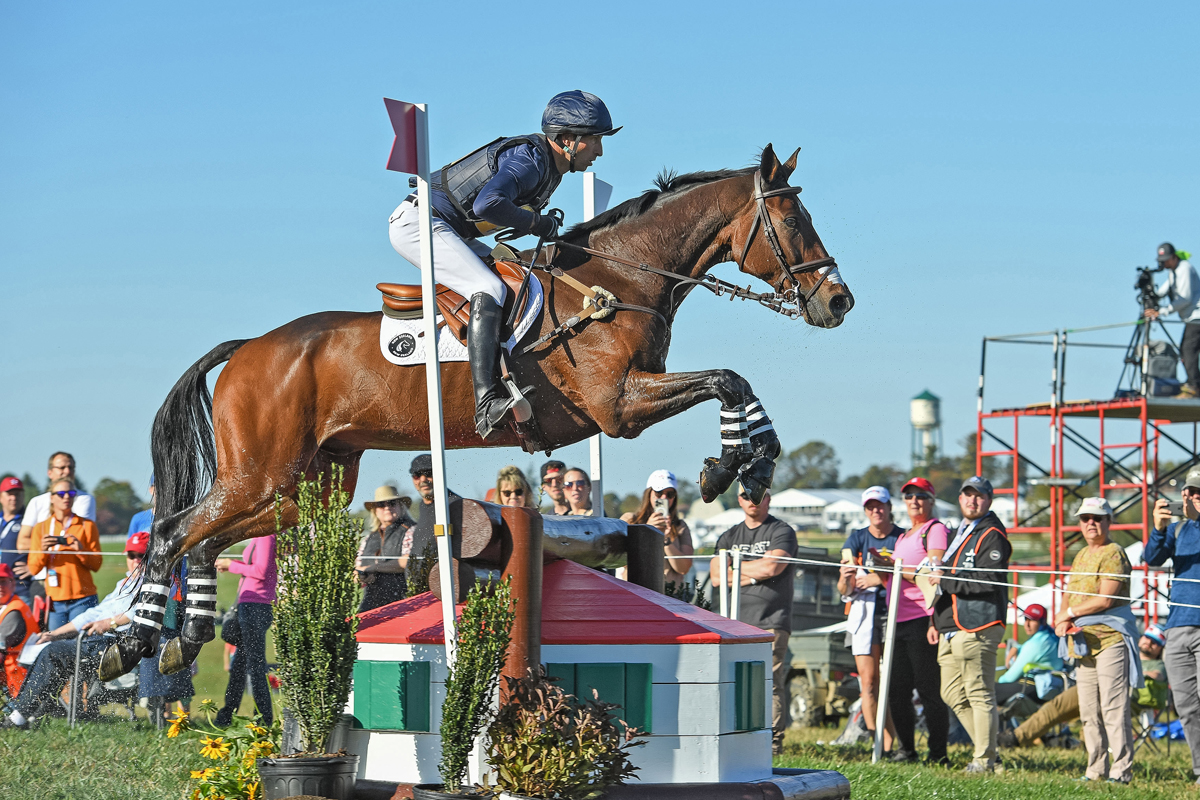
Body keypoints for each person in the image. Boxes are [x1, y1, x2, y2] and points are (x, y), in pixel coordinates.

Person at [388, 91, 620, 441]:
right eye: (595, 140)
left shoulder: (550, 169)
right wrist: (537, 224)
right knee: (490, 288)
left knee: (515, 279)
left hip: (450, 228)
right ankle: (487, 399)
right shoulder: (530, 160)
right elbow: (487, 204)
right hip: (419, 223)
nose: (599, 151)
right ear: (568, 140)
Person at [2, 532, 144, 728]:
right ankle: (27, 712)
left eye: (141, 555)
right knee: (45, 646)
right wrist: (53, 634)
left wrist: (110, 623)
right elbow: (92, 614)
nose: (136, 560)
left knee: (52, 653)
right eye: (131, 555)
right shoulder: (123, 584)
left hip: (118, 642)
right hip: (98, 639)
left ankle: (19, 716)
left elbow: (141, 613)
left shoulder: (149, 585)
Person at [929, 476, 1011, 773]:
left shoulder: (992, 533)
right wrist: (934, 619)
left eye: (979, 496)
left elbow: (990, 580)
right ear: (960, 498)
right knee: (951, 693)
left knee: (979, 692)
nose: (972, 500)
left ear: (989, 500)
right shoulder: (961, 531)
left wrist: (946, 581)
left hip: (979, 622)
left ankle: (984, 760)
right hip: (951, 624)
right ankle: (988, 752)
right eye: (967, 495)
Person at [1054, 496, 1138, 784]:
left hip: (1110, 639)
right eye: (1085, 518)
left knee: (1114, 709)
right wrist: (1062, 619)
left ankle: (1121, 771)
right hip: (1082, 641)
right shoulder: (1080, 556)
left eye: (1097, 518)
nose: (1091, 523)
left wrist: (1071, 612)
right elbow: (1068, 594)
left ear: (1108, 522)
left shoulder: (1114, 553)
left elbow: (1106, 599)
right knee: (1089, 711)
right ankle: (1095, 770)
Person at [709, 487, 798, 755]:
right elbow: (715, 576)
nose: (752, 500)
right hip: (732, 623)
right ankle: (740, 740)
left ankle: (772, 745)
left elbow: (773, 567)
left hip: (771, 619)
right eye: (746, 495)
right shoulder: (729, 535)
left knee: (770, 682)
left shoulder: (782, 531)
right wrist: (755, 571)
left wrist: (734, 570)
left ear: (769, 498)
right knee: (733, 681)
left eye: (758, 495)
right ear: (738, 499)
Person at [875, 477, 949, 764]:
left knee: (928, 689)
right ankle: (907, 750)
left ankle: (938, 753)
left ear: (931, 501)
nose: (914, 501)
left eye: (920, 496)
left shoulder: (935, 530)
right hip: (896, 620)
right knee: (896, 690)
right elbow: (897, 578)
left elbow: (933, 569)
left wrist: (934, 622)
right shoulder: (905, 536)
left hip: (922, 618)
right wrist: (880, 568)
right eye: (909, 497)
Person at [836, 486, 901, 752]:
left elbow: (908, 573)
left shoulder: (901, 537)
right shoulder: (856, 538)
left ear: (889, 508)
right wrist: (845, 578)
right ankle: (878, 743)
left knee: (894, 682)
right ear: (865, 510)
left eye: (881, 505)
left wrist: (880, 577)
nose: (876, 510)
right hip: (863, 615)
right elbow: (844, 587)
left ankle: (895, 741)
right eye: (871, 506)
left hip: (894, 613)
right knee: (869, 682)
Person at [1147, 472, 1200, 784]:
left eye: (1199, 492)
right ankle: (1199, 770)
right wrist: (1158, 528)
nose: (1193, 497)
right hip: (1177, 626)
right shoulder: (1178, 528)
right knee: (1186, 705)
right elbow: (1152, 559)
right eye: (1189, 491)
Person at [214, 532, 277, 726]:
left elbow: (261, 571)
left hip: (256, 605)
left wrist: (230, 565)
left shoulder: (268, 535)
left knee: (254, 666)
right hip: (250, 605)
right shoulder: (262, 535)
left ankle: (264, 720)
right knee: (240, 665)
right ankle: (226, 715)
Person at [15, 452, 95, 600]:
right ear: (50, 472)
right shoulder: (36, 502)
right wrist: (39, 554)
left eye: (71, 467)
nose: (67, 471)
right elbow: (21, 543)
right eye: (62, 467)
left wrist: (40, 545)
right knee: (41, 623)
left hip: (73, 579)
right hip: (40, 577)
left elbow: (76, 538)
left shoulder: (83, 498)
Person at [26, 479, 102, 630]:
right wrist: (43, 552)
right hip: (55, 601)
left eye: (71, 493)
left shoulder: (87, 525)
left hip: (83, 598)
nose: (66, 497)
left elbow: (96, 565)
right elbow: (33, 569)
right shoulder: (40, 529)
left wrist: (80, 550)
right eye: (61, 494)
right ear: (51, 498)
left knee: (81, 646)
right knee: (57, 648)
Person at [621, 470, 695, 586]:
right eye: (659, 493)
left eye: (670, 494)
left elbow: (683, 569)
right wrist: (647, 530)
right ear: (648, 493)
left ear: (674, 498)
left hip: (670, 594)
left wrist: (666, 540)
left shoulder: (680, 526)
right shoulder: (630, 520)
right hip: (637, 591)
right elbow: (622, 561)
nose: (664, 498)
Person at [1147, 242, 1200, 397]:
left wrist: (1162, 311)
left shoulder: (1184, 268)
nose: (1164, 264)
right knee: (1187, 350)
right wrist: (1152, 294)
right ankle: (1194, 384)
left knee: (1188, 350)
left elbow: (1185, 299)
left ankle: (1194, 387)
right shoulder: (1174, 271)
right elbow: (1164, 290)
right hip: (1192, 318)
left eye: (1166, 260)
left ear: (1174, 257)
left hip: (1197, 318)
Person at [357, 485, 415, 612]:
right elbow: (357, 568)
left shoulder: (411, 530)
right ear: (375, 511)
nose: (387, 507)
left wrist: (374, 568)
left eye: (392, 503)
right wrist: (362, 576)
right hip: (370, 603)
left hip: (403, 602)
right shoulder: (369, 538)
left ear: (401, 506)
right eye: (381, 504)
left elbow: (408, 561)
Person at [998, 604, 1063, 683]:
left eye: (1032, 620)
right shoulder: (1048, 637)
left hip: (1036, 686)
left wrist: (999, 682)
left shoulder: (1036, 643)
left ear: (1043, 622)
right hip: (1049, 684)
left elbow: (1009, 678)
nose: (1027, 624)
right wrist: (1017, 648)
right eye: (1026, 619)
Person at [0, 564, 36, 700]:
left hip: (18, 669)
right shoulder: (7, 605)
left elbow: (1, 645)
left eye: (3, 582)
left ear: (13, 584)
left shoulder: (14, 611)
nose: (0, 586)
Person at [0, 477, 30, 604]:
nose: (14, 498)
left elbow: (44, 547)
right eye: (9, 494)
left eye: (17, 494)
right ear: (1, 497)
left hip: (19, 589)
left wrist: (32, 568)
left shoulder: (29, 521)